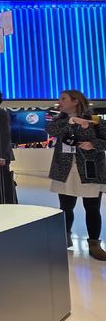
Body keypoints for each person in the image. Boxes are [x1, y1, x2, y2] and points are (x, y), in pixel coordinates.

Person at [46, 90, 106, 260]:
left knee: (92, 208)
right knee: (66, 207)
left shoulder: (95, 121)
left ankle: (94, 244)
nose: (59, 101)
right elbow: (51, 130)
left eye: (63, 99)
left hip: (90, 170)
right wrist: (71, 121)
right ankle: (64, 239)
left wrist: (93, 144)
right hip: (64, 170)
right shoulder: (58, 121)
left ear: (75, 101)